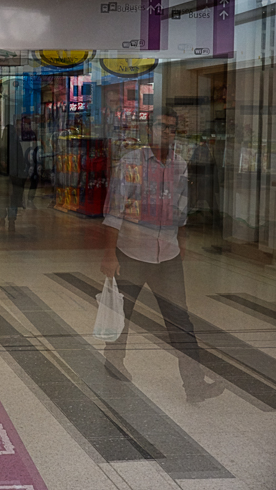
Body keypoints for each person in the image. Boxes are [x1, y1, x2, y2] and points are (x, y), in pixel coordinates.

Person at [100, 107, 224, 403]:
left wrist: (181, 240)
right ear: (149, 130)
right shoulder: (131, 163)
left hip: (166, 254)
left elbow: (181, 208)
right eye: (162, 127)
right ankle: (113, 359)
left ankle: (194, 385)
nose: (168, 133)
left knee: (180, 320)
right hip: (132, 252)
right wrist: (109, 254)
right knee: (123, 313)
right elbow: (114, 210)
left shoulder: (180, 164)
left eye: (172, 128)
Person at [0, 123, 28, 232]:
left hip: (0, 178)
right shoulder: (17, 145)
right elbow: (21, 162)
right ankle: (11, 219)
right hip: (14, 178)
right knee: (13, 200)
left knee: (0, 199)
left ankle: (2, 217)